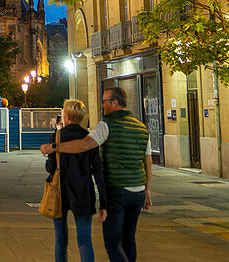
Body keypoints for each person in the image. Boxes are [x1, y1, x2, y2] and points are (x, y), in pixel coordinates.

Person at [41, 87, 151, 262]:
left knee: (108, 243)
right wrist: (146, 189)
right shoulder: (141, 127)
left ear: (115, 102)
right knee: (123, 238)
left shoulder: (104, 126)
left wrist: (54, 147)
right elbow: (147, 161)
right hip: (97, 193)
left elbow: (80, 148)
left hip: (87, 191)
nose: (102, 105)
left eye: (105, 101)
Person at [46, 99, 106, 262]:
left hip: (61, 192)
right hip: (83, 193)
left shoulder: (58, 137)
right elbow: (98, 172)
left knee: (61, 240)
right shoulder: (89, 137)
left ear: (66, 115)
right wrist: (103, 202)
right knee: (85, 240)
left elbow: (50, 167)